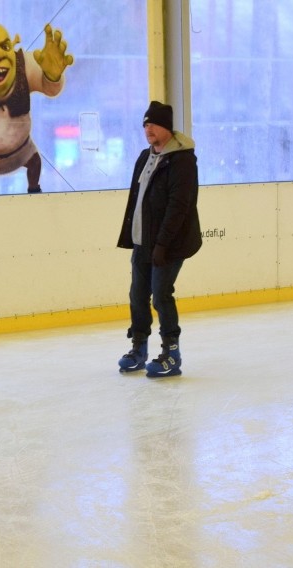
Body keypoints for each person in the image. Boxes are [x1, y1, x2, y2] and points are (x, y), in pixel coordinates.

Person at [116, 101, 202, 378]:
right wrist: (133, 236)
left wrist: (162, 245)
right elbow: (136, 200)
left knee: (161, 296)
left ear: (167, 127)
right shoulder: (145, 156)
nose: (148, 129)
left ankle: (171, 354)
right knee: (137, 295)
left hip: (170, 244)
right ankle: (139, 348)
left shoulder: (183, 160)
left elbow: (180, 206)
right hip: (143, 242)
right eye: (145, 125)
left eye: (153, 124)